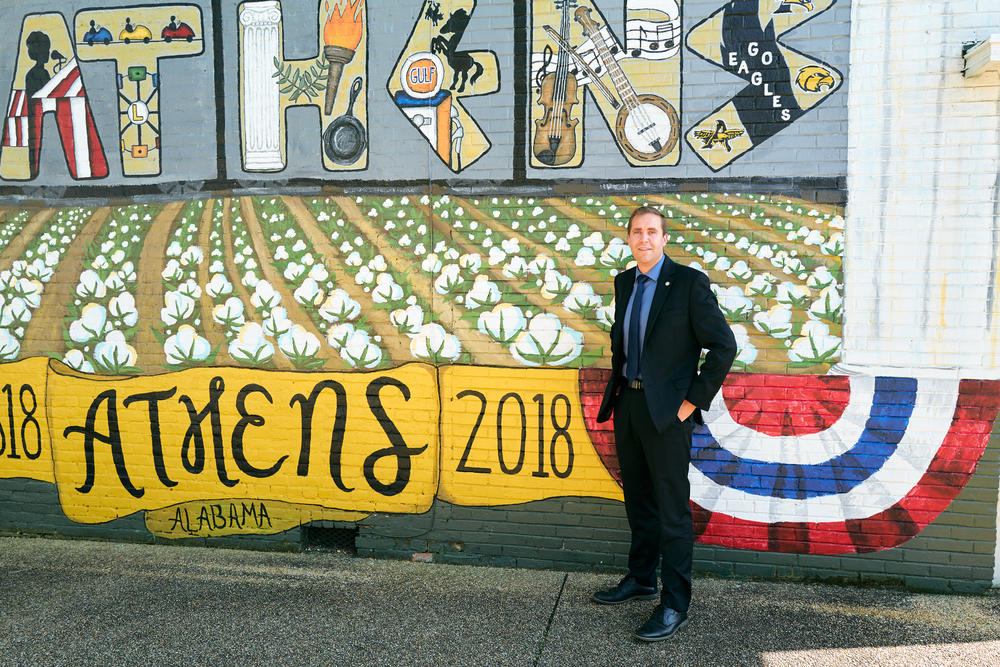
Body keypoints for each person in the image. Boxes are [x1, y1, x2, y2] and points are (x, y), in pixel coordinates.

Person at [594, 205, 737, 641]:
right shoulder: (625, 282)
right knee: (639, 501)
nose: (644, 239)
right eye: (637, 232)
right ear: (629, 238)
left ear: (664, 238)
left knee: (672, 511)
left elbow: (723, 346)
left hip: (669, 413)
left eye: (652, 232)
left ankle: (675, 604)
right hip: (630, 406)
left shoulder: (689, 284)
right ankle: (641, 579)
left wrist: (690, 403)